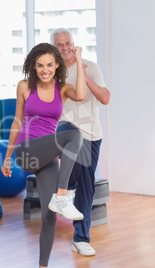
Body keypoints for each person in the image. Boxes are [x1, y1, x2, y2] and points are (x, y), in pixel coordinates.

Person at [1, 43, 86, 268]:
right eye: (40, 65)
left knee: (50, 217)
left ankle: (42, 265)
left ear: (57, 65)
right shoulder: (24, 86)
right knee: (73, 135)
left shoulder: (63, 89)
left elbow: (80, 94)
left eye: (49, 65)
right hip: (26, 151)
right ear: (33, 66)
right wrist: (8, 157)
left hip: (47, 157)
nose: (45, 69)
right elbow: (17, 121)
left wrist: (78, 59)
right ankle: (62, 195)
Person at [50, 28, 110, 257]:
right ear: (53, 48)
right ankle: (66, 190)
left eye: (67, 43)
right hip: (67, 129)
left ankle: (81, 238)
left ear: (74, 45)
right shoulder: (52, 71)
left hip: (92, 135)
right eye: (58, 44)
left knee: (86, 184)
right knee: (71, 138)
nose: (63, 48)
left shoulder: (90, 66)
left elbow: (105, 98)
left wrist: (84, 78)